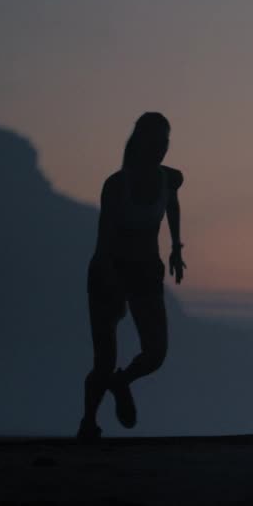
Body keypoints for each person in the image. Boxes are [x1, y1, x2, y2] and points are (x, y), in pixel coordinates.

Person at [77, 112, 186, 441]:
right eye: (154, 142)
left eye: (165, 142)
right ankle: (89, 422)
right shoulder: (116, 185)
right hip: (108, 272)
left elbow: (172, 205)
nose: (161, 148)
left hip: (146, 272)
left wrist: (176, 247)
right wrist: (108, 276)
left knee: (156, 353)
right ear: (140, 144)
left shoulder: (171, 178)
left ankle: (122, 382)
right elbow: (104, 239)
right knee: (104, 360)